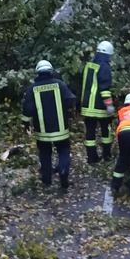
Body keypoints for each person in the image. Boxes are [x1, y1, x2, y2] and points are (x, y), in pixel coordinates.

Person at [21, 59, 77, 189]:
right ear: (51, 71)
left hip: (42, 131)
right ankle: (63, 171)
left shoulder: (32, 89)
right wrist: (69, 113)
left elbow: (27, 109)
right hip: (61, 129)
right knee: (63, 150)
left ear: (37, 73)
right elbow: (71, 99)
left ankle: (47, 180)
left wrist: (25, 124)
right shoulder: (60, 84)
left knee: (45, 153)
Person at [80, 40, 116, 164]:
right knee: (106, 131)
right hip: (99, 106)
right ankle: (107, 155)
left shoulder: (89, 64)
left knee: (90, 132)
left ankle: (91, 158)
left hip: (87, 105)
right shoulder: (104, 66)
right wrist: (109, 105)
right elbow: (104, 88)